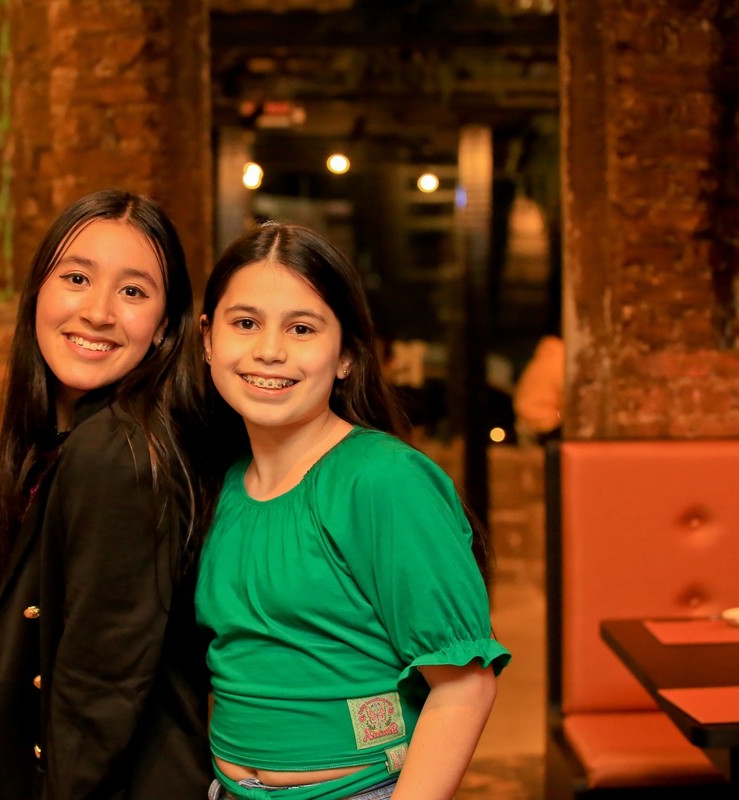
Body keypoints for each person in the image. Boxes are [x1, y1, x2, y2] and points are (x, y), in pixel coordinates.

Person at [195, 223, 511, 800]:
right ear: (208, 339)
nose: (270, 350)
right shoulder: (222, 481)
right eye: (245, 323)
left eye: (301, 328)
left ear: (344, 356)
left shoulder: (382, 478)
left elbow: (464, 687)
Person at [0, 189, 213, 799]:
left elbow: (99, 694)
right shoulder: (63, 439)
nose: (98, 312)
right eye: (77, 278)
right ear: (38, 292)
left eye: (133, 292)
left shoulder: (117, 452)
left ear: (163, 327)